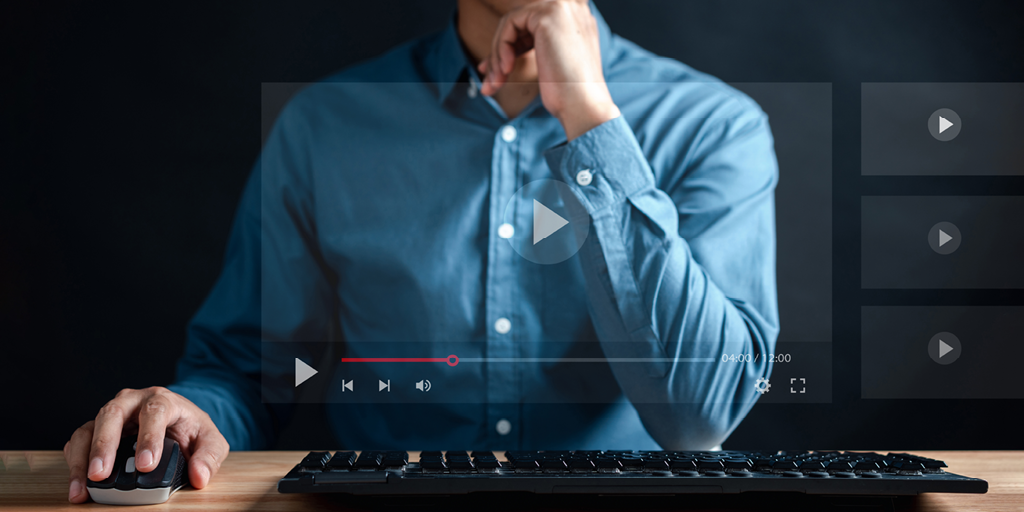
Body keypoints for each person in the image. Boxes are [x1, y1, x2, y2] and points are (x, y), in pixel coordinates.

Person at [64, 0, 778, 503]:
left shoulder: (714, 128)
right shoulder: (324, 127)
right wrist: (188, 415)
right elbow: (251, 371)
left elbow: (700, 415)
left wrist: (589, 118)